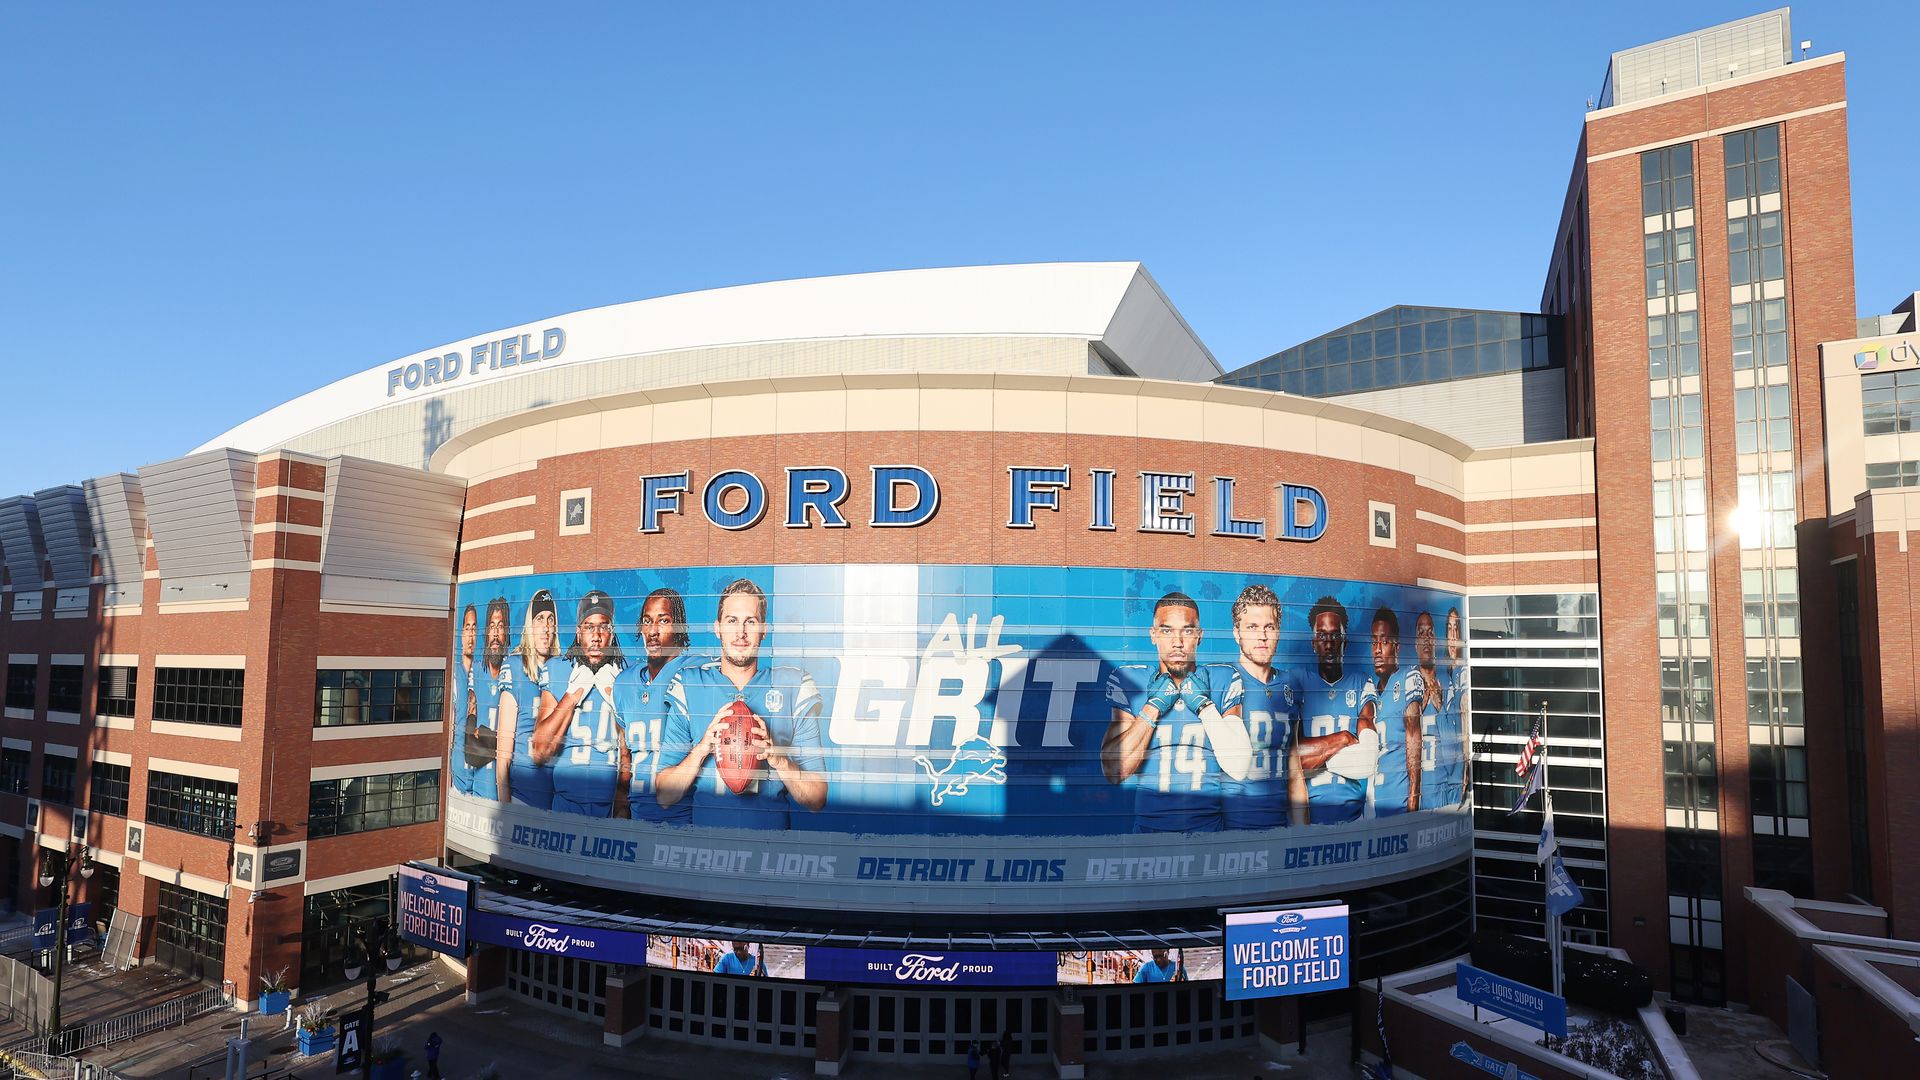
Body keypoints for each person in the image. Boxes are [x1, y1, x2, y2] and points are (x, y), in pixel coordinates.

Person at [657, 578, 830, 828]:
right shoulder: (689, 685)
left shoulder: (792, 686)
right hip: (705, 851)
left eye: (750, 621)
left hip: (769, 850)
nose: (740, 633)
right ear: (717, 628)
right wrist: (702, 748)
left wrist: (777, 758)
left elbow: (817, 799)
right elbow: (664, 795)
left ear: (764, 629)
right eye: (732, 621)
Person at [1101, 591, 1247, 832]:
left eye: (1187, 630)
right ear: (1153, 635)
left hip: (1208, 834)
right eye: (1167, 630)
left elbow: (1239, 766)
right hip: (1149, 837)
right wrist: (1152, 708)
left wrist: (1204, 706)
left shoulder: (1221, 679)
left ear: (1199, 636)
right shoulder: (1130, 680)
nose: (1177, 641)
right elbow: (1114, 771)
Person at [1219, 584, 1310, 829]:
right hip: (1231, 833)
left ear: (1278, 631)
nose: (1262, 636)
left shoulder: (1290, 685)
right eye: (1252, 627)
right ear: (1236, 633)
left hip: (1278, 829)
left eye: (1269, 627)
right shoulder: (1219, 680)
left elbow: (1294, 769)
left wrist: (1303, 834)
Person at [533, 591, 627, 816]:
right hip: (565, 805)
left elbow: (633, 749)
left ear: (611, 633)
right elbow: (539, 752)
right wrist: (572, 695)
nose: (596, 636)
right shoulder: (558, 669)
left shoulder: (627, 673)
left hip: (609, 807)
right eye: (588, 627)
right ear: (578, 632)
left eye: (603, 627)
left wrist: (615, 696)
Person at [617, 587, 695, 822]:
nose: (653, 631)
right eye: (647, 621)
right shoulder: (625, 682)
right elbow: (625, 754)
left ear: (678, 626)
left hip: (681, 820)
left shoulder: (696, 673)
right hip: (639, 818)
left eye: (663, 621)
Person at [1299, 596, 1377, 823]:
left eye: (1335, 635)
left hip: (1354, 818)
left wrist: (1315, 756)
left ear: (1345, 640)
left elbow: (1367, 759)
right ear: (1313, 642)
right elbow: (1291, 758)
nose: (1329, 642)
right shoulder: (1297, 682)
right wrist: (1342, 739)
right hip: (1308, 819)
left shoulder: (1362, 682)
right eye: (1322, 635)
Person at [1361, 606, 1426, 816]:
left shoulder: (1407, 678)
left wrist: (1412, 804)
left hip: (1398, 804)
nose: (1377, 649)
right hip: (1372, 806)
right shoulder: (1370, 691)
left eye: (1384, 642)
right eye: (1374, 642)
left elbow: (1414, 739)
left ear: (1396, 647)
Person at [502, 589, 560, 809]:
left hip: (555, 801)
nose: (546, 627)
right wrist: (505, 810)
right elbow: (503, 756)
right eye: (539, 619)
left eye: (550, 619)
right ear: (530, 625)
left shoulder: (562, 669)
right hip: (523, 799)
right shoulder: (516, 667)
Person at [457, 598, 512, 801]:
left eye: (501, 626)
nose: (496, 633)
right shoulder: (476, 671)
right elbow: (471, 748)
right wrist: (500, 741)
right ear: (486, 632)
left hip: (506, 796)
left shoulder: (515, 670)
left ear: (507, 633)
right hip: (479, 792)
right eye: (492, 626)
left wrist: (486, 737)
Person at [448, 604, 478, 793]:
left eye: (475, 628)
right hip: (457, 773)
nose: (471, 635)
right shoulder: (455, 675)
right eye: (467, 628)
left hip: (478, 768)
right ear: (460, 634)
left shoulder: (484, 675)